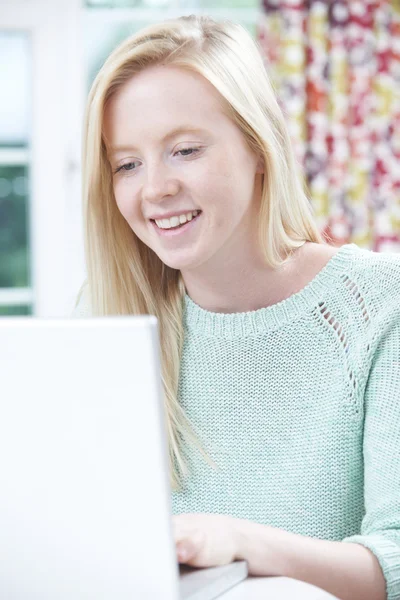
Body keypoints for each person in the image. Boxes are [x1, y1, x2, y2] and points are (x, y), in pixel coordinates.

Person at [73, 14, 400, 600]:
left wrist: (241, 542)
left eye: (185, 150)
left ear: (257, 146)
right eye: (127, 163)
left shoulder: (378, 305)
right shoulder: (106, 317)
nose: (155, 189)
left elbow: (394, 563)